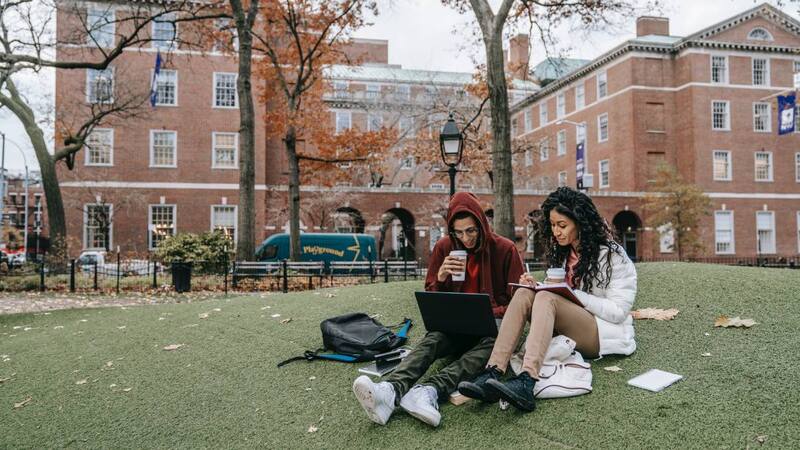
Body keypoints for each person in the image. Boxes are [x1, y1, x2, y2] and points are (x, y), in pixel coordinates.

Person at [352, 192, 524, 427]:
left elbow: (519, 303)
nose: (466, 238)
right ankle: (390, 391)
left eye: (471, 230)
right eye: (459, 232)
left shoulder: (505, 249)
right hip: (455, 328)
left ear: (482, 225)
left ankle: (429, 391)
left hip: (490, 329)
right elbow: (432, 299)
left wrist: (491, 312)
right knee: (433, 338)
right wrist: (441, 277)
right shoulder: (444, 247)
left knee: (496, 342)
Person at [458, 186, 637, 412]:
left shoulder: (612, 255)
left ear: (581, 222)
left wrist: (570, 294)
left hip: (600, 332)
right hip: (567, 324)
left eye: (562, 225)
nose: (556, 232)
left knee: (546, 298)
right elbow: (558, 294)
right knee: (525, 293)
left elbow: (619, 311)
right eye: (552, 225)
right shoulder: (563, 253)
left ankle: (527, 380)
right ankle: (492, 371)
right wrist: (536, 286)